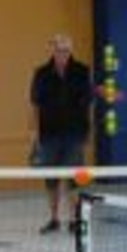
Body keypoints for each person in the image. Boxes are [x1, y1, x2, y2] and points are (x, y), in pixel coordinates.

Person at [29, 34, 93, 234]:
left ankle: (75, 219)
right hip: (49, 135)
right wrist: (34, 133)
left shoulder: (82, 72)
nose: (63, 54)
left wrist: (88, 132)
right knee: (51, 180)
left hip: (74, 134)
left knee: (73, 179)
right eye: (59, 50)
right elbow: (34, 106)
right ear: (53, 50)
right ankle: (54, 218)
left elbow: (90, 104)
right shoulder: (41, 74)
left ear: (70, 51)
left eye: (66, 50)